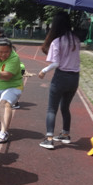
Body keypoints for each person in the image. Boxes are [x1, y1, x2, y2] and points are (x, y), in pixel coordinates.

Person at [38, 11, 81, 149]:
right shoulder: (76, 39)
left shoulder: (57, 42)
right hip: (74, 78)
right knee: (65, 107)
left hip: (61, 77)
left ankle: (49, 138)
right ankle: (65, 134)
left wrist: (43, 71)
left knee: (52, 108)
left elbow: (56, 63)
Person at [0, 38, 24, 144]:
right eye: (0, 52)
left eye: (6, 52)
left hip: (13, 87)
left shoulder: (14, 58)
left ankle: (3, 132)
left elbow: (7, 76)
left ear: (11, 50)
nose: (3, 55)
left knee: (4, 103)